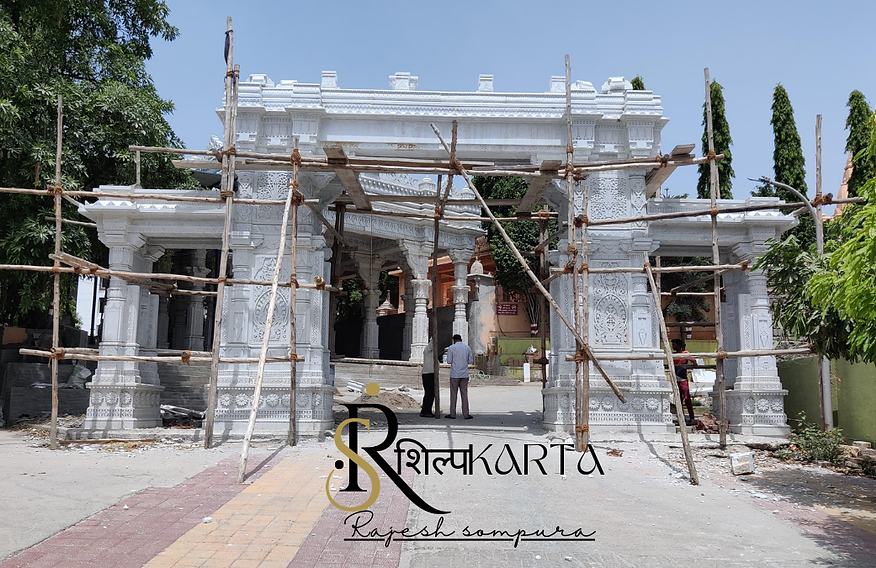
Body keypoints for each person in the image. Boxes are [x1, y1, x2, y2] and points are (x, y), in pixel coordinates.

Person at [445, 334, 473, 419]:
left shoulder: (451, 348)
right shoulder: (467, 348)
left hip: (454, 374)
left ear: (454, 340)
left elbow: (449, 361)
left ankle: (452, 414)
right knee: (464, 394)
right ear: (461, 339)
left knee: (453, 394)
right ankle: (466, 414)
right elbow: (471, 361)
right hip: (464, 374)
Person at [671, 338, 697, 426]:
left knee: (686, 398)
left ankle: (692, 417)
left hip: (682, 379)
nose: (673, 346)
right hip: (675, 379)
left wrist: (692, 366)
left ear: (679, 345)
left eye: (674, 345)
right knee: (678, 399)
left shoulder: (685, 354)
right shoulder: (673, 355)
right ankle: (681, 417)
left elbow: (694, 361)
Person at [420, 340, 435, 417]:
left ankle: (427, 410)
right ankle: (425, 411)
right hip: (428, 374)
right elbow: (431, 345)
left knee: (431, 393)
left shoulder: (432, 352)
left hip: (431, 373)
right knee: (429, 393)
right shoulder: (428, 349)